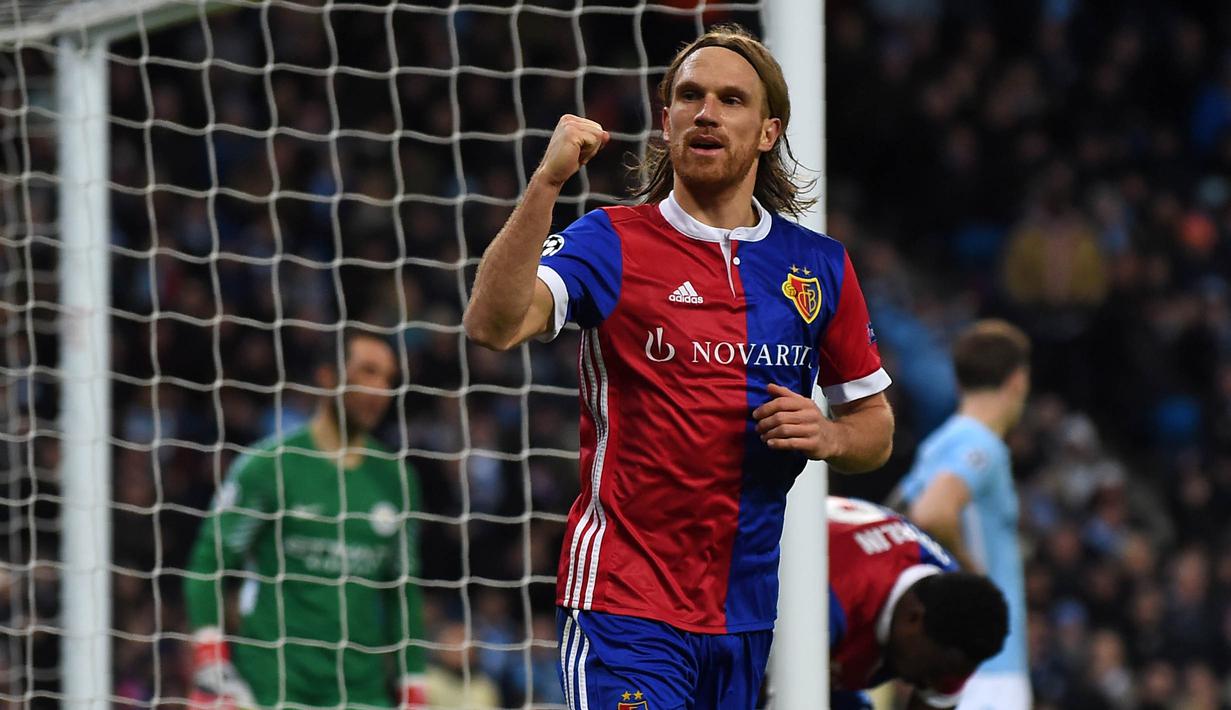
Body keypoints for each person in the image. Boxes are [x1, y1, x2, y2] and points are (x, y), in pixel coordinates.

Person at [463, 24, 894, 710]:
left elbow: (873, 427)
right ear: (665, 122)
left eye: (730, 99)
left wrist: (831, 436)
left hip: (745, 617)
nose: (705, 112)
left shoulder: (819, 268)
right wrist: (547, 182)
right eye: (689, 96)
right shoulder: (610, 240)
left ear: (766, 132)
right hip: (624, 604)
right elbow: (490, 324)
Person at [183, 330, 428, 708]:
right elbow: (209, 561)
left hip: (361, 692)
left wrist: (413, 684)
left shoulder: (397, 479)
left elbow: (403, 591)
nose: (381, 389)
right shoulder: (268, 466)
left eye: (389, 378)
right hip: (273, 686)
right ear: (328, 376)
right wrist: (210, 659)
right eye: (368, 372)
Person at [891, 319, 1032, 710]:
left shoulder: (936, 445)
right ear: (1018, 380)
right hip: (989, 668)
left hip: (953, 664)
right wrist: (976, 586)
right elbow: (933, 512)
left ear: (957, 382)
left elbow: (895, 517)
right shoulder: (981, 444)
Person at [826, 496, 1009, 710]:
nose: (932, 684)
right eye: (934, 672)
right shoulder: (837, 596)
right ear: (914, 618)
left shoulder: (956, 629)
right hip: (796, 593)